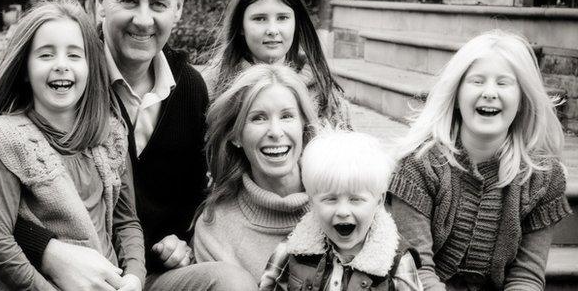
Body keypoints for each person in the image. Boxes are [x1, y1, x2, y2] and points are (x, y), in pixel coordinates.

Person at [0, 0, 256, 289]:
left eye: (158, 3)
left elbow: (191, 197)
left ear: (178, 8)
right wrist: (49, 252)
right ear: (100, 1)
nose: (143, 19)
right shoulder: (56, 77)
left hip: (139, 274)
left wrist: (180, 238)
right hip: (49, 276)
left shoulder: (189, 88)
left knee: (230, 282)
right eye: (128, 0)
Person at [0, 0, 144, 290]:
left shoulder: (111, 135)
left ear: (91, 68)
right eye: (46, 54)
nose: (61, 64)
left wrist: (133, 276)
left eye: (74, 54)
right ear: (25, 70)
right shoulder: (8, 139)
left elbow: (126, 222)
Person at [388, 30, 573, 290]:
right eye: (477, 81)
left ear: (522, 99)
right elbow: (417, 270)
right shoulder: (419, 166)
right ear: (455, 95)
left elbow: (526, 277)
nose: (489, 92)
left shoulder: (542, 179)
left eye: (503, 82)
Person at [193, 64, 319, 282]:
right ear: (236, 136)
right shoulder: (215, 229)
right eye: (258, 118)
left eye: (287, 116)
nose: (276, 132)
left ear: (303, 126)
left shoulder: (341, 202)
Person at [259, 129, 423, 291]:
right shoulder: (292, 250)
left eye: (355, 199)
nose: (343, 211)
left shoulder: (397, 263)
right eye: (330, 199)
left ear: (378, 201)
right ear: (312, 202)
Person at [201, 0, 348, 125]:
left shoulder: (321, 87)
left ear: (296, 22)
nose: (272, 30)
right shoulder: (212, 86)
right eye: (259, 18)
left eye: (283, 17)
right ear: (241, 26)